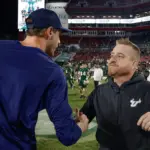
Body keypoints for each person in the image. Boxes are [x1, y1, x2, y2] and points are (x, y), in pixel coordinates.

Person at [0, 9, 89, 150]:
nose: (59, 41)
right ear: (50, 32)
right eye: (59, 35)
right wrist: (81, 126)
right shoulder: (52, 71)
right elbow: (67, 135)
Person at [78, 38, 150, 150]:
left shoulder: (147, 89)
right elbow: (82, 118)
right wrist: (78, 123)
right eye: (112, 55)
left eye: (120, 56)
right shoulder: (99, 91)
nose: (112, 59)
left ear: (134, 64)